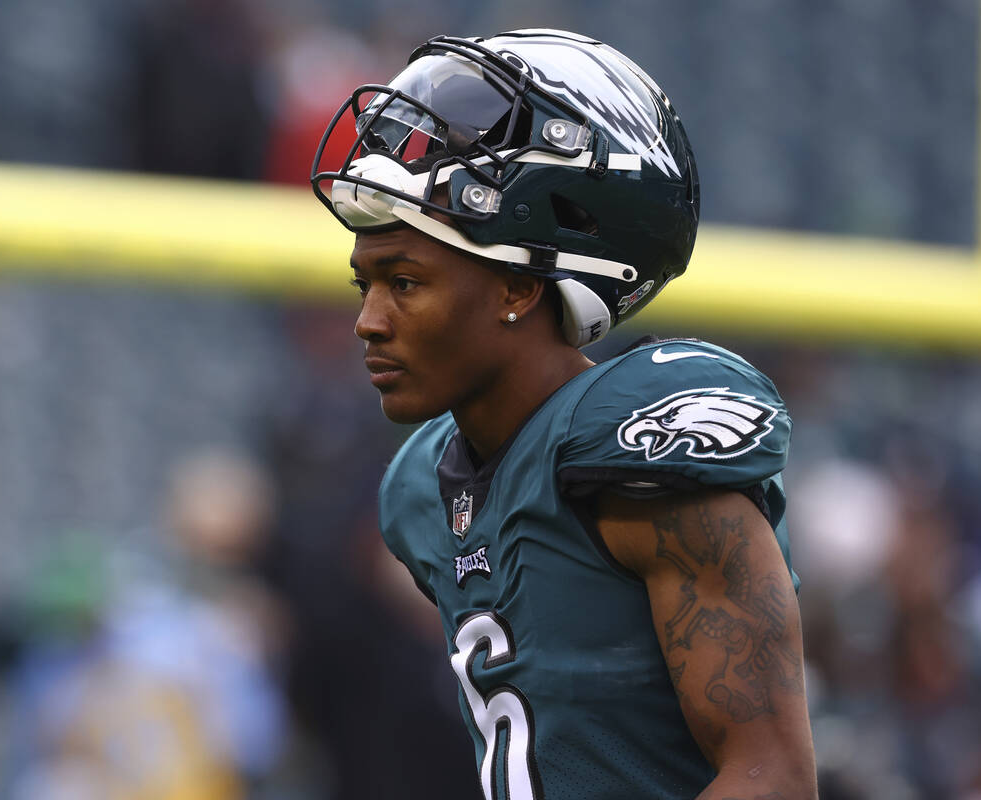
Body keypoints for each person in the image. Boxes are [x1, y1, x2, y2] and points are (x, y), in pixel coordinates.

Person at [309, 28, 817, 799]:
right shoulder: (420, 492)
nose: (369, 321)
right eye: (365, 287)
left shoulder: (644, 446)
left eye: (405, 282)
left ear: (519, 287)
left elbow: (771, 777)